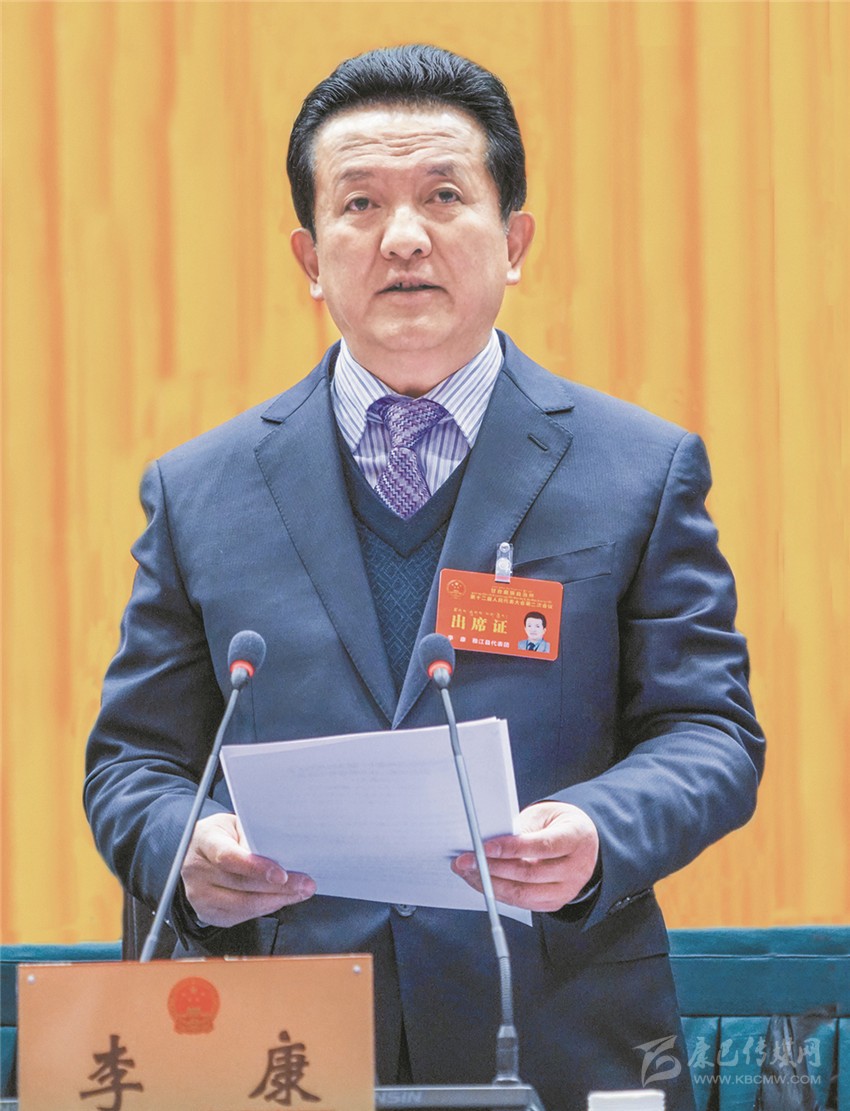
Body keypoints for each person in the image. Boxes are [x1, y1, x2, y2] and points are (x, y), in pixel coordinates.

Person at [85, 45, 765, 1110]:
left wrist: (597, 832)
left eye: (444, 195)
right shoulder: (200, 490)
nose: (403, 237)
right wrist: (191, 844)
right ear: (311, 258)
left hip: (551, 1025)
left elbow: (710, 733)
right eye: (360, 203)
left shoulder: (638, 469)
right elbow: (133, 763)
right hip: (277, 1048)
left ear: (514, 240)